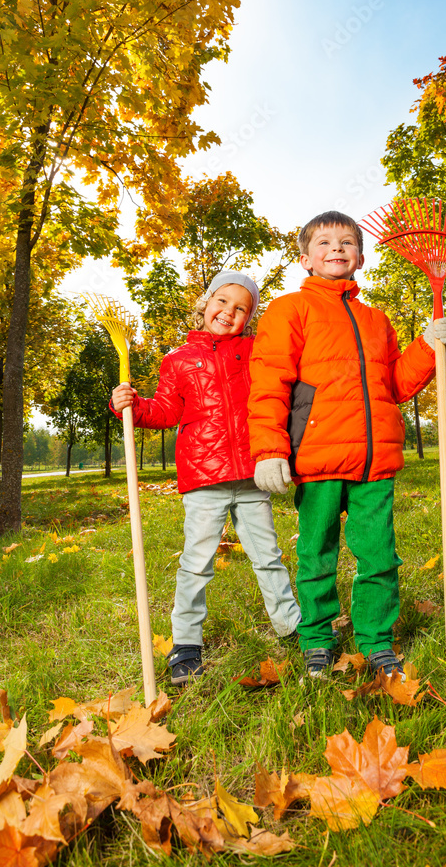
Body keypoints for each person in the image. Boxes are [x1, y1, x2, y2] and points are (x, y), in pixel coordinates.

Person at [248, 212, 446, 679]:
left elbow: (396, 384)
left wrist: (426, 345)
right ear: (305, 259)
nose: (336, 249)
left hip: (374, 461)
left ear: (360, 257)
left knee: (379, 554)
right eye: (324, 242)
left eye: (347, 242)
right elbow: (268, 383)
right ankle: (318, 639)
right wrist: (268, 448)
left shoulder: (376, 320)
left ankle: (376, 639)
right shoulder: (289, 311)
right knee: (316, 554)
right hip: (318, 457)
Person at [110, 270, 300, 686]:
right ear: (206, 302)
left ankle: (290, 625)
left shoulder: (255, 353)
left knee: (268, 556)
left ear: (248, 319)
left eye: (240, 309)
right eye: (222, 302)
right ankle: (186, 644)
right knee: (196, 563)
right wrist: (132, 406)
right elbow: (164, 411)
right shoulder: (177, 360)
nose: (228, 313)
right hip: (203, 478)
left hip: (252, 475)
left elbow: (276, 392)